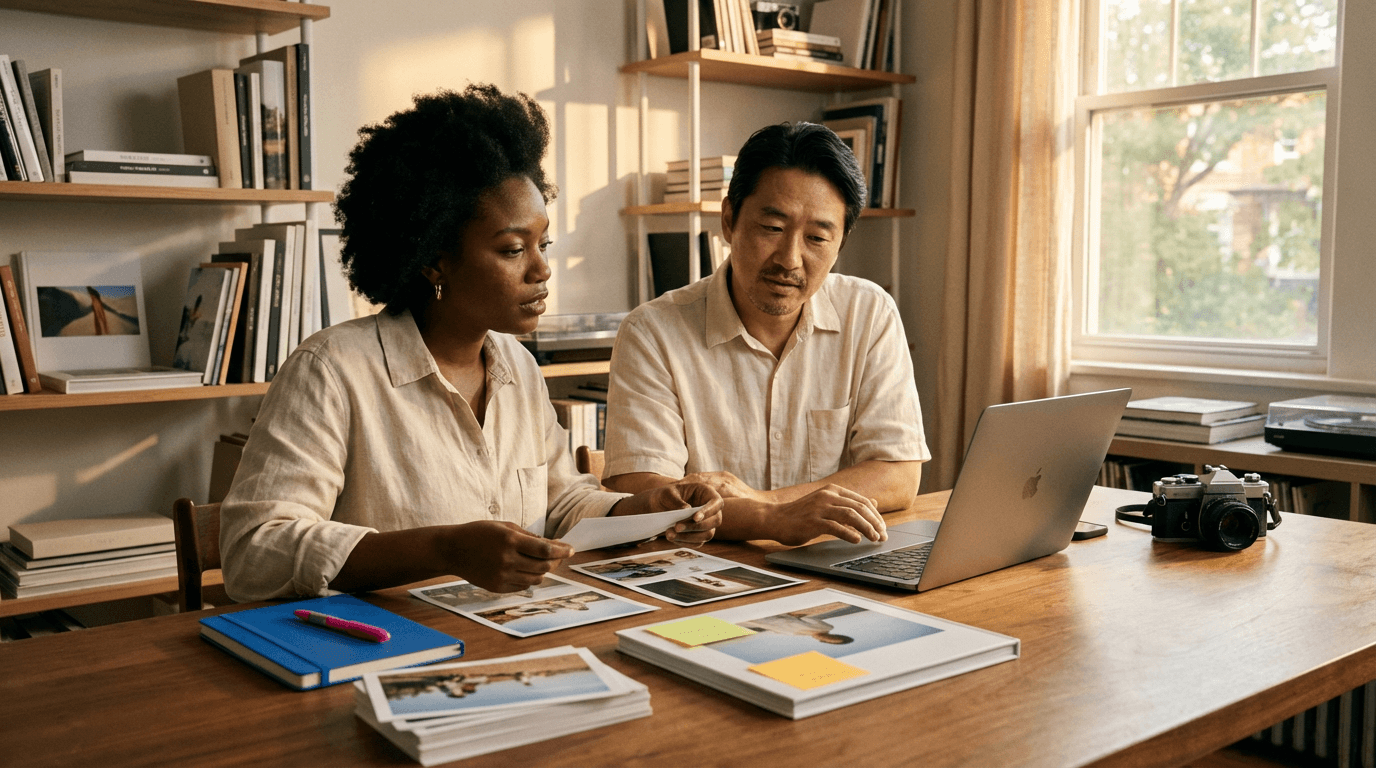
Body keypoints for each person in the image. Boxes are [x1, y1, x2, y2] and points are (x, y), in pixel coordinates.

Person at [220, 85, 722, 603]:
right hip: (383, 650)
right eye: (512, 249)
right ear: (435, 260)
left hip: (505, 637)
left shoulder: (518, 368)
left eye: (542, 243)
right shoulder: (331, 371)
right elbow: (254, 551)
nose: (542, 268)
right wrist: (443, 549)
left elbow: (562, 502)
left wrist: (646, 509)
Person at [602, 122, 929, 546]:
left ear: (840, 244)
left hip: (832, 562)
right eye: (772, 229)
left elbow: (899, 474)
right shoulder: (653, 332)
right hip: (706, 573)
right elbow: (640, 489)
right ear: (729, 220)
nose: (790, 259)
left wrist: (766, 504)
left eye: (816, 237)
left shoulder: (869, 313)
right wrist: (771, 519)